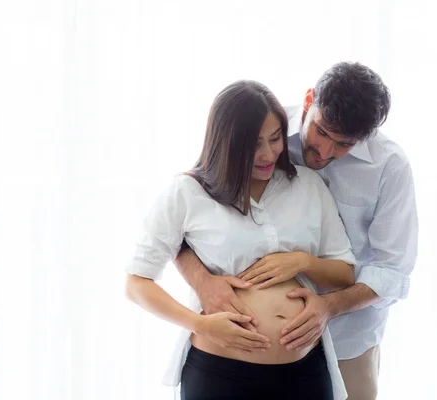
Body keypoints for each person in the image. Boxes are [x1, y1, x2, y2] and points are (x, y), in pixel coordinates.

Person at [175, 62, 418, 400]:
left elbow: (392, 271)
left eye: (344, 144)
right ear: (308, 101)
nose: (325, 152)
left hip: (348, 339)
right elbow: (184, 218)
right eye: (321, 132)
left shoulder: (389, 167)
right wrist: (202, 283)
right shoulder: (264, 128)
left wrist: (329, 306)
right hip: (232, 349)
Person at [125, 80, 359, 399]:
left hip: (304, 372)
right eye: (253, 144)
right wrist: (200, 324)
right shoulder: (188, 193)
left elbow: (344, 273)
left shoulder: (308, 186)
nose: (267, 154)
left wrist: (303, 262)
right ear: (226, 143)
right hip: (219, 371)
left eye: (275, 138)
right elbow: (137, 282)